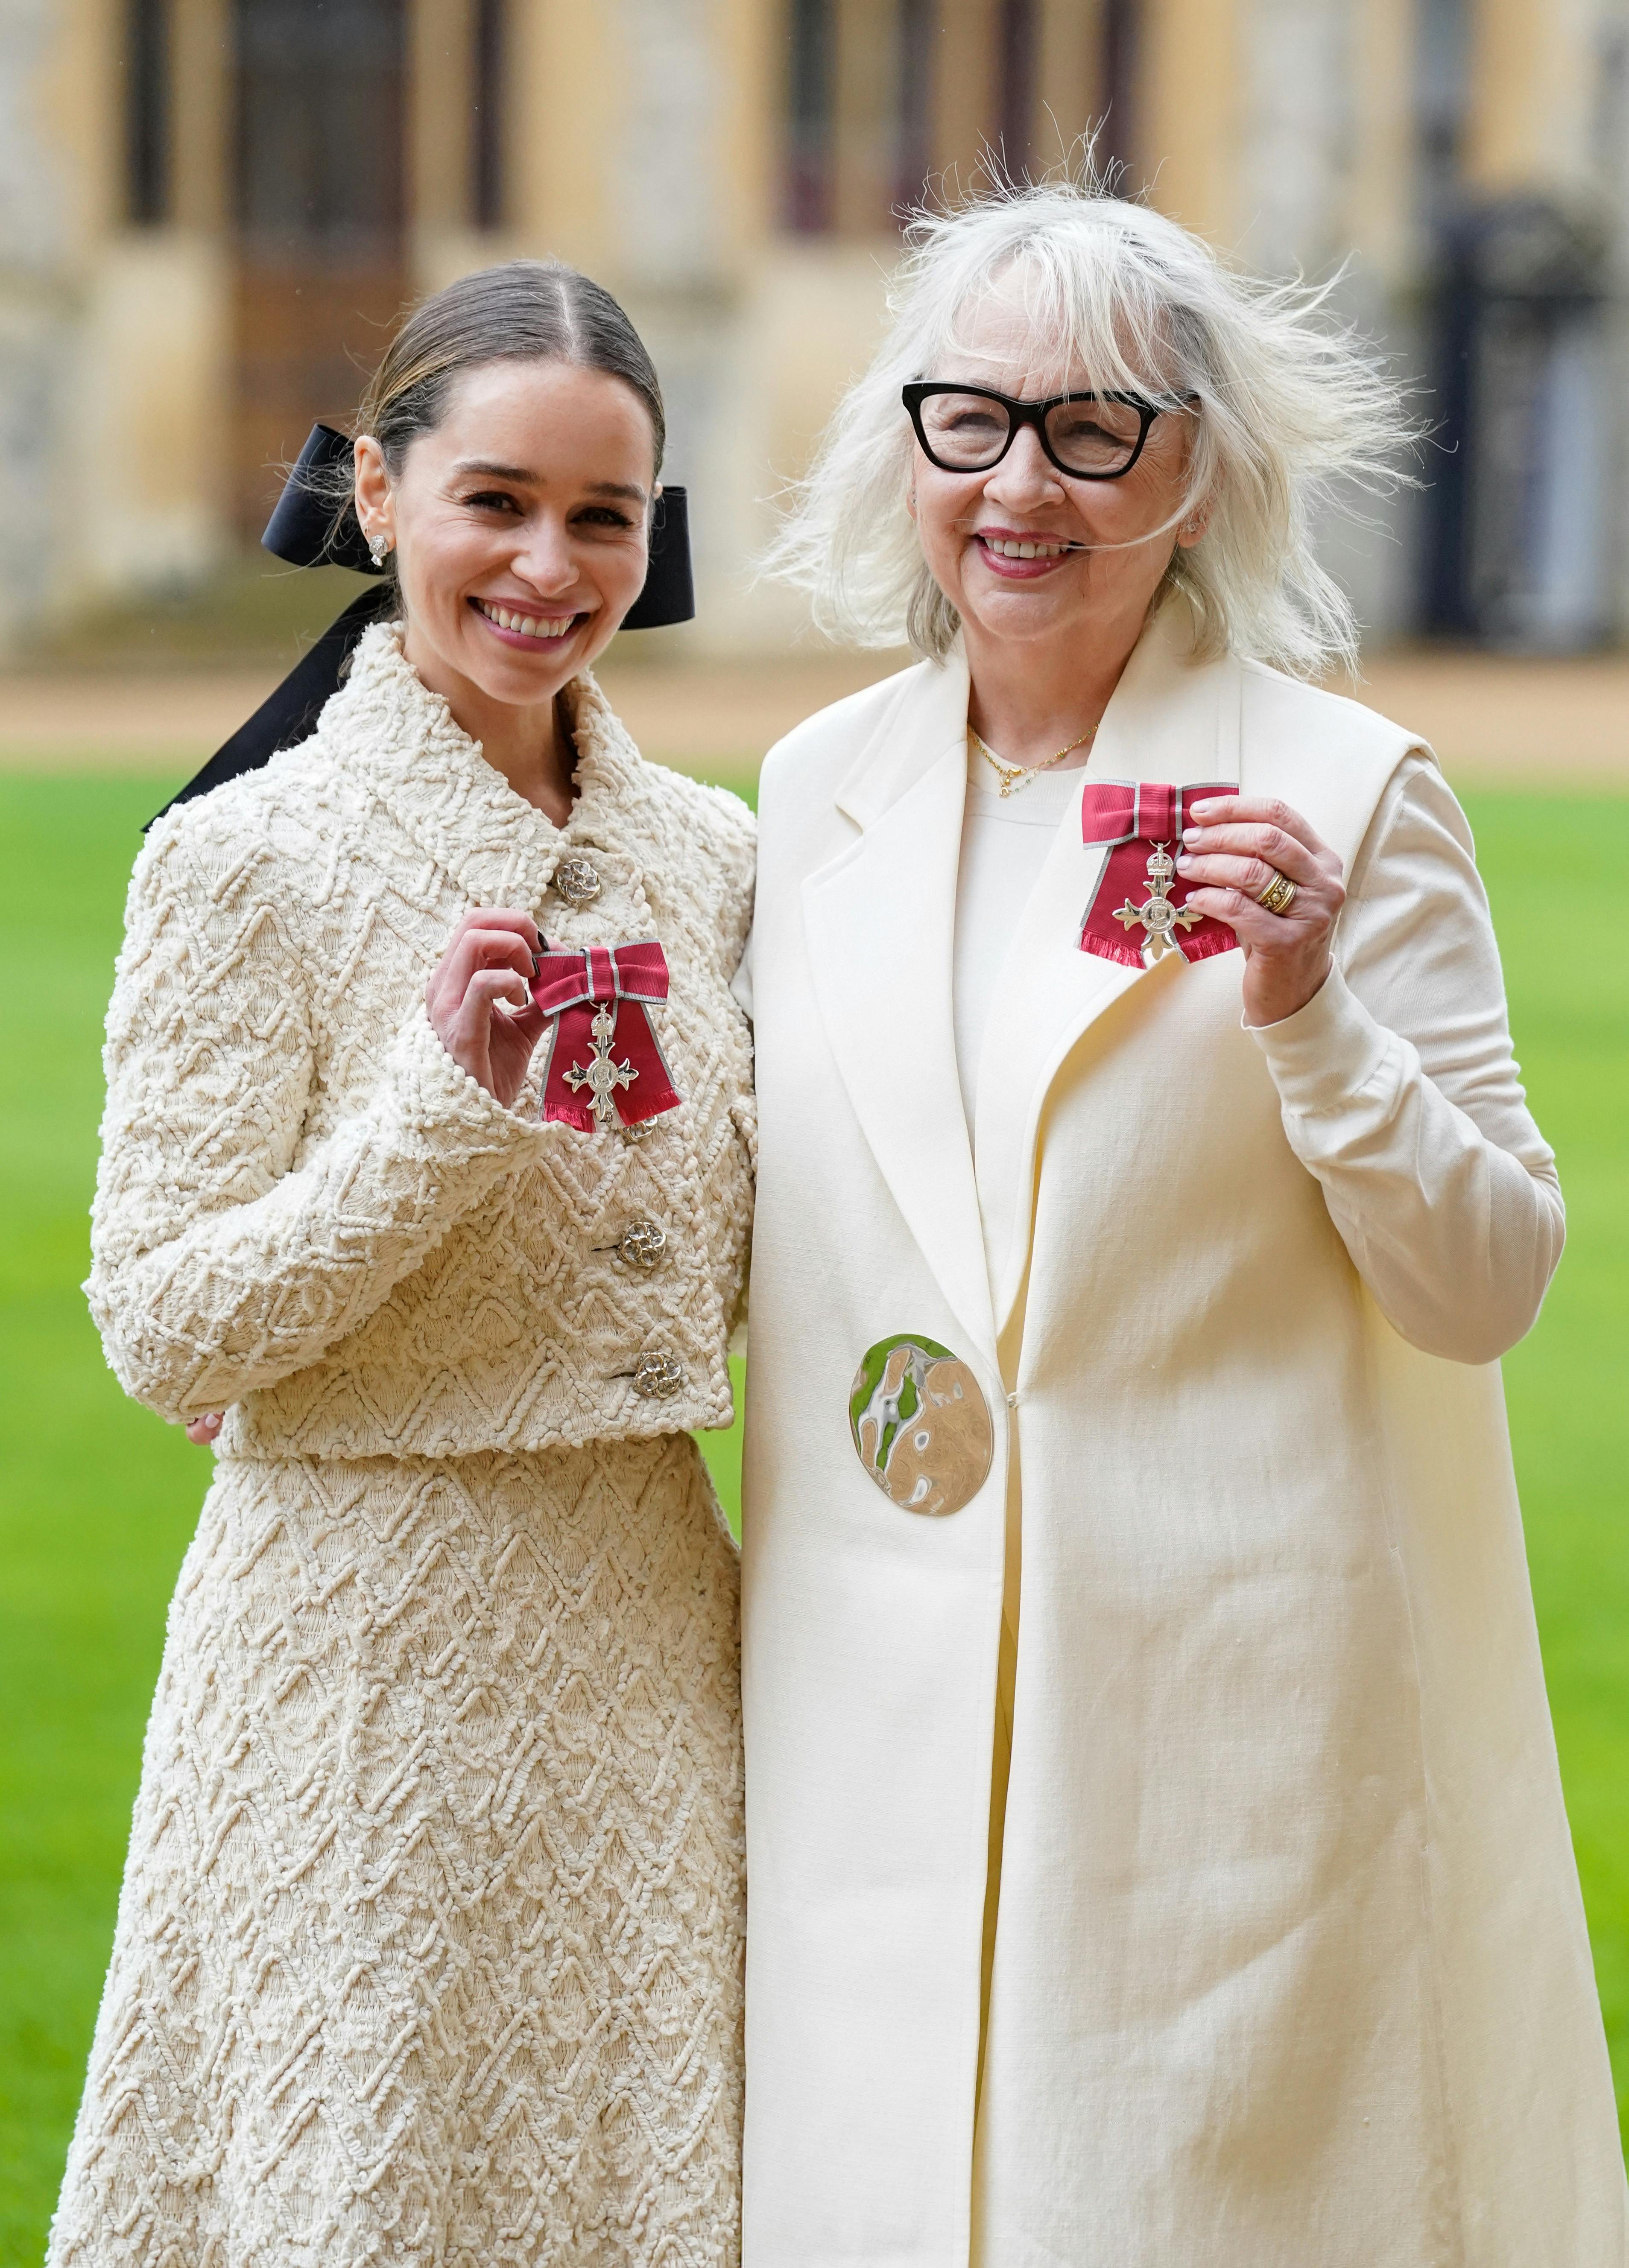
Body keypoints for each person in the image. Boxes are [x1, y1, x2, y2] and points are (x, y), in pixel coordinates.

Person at [737, 180, 1627, 2265]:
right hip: (869, 1714)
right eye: (971, 420)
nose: (1021, 484)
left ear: (1199, 465)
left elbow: (1486, 1279)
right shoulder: (809, 791)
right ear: (905, 441)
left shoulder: (1351, 792)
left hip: (1225, 1734)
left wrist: (1312, 1014)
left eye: (1094, 427)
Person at [51, 260, 755, 2268]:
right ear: (379, 494)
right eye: (498, 501)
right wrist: (440, 1109)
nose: (552, 564)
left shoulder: (712, 856)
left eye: (603, 516)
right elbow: (164, 1321)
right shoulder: (240, 861)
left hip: (651, 1632)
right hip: (356, 1668)